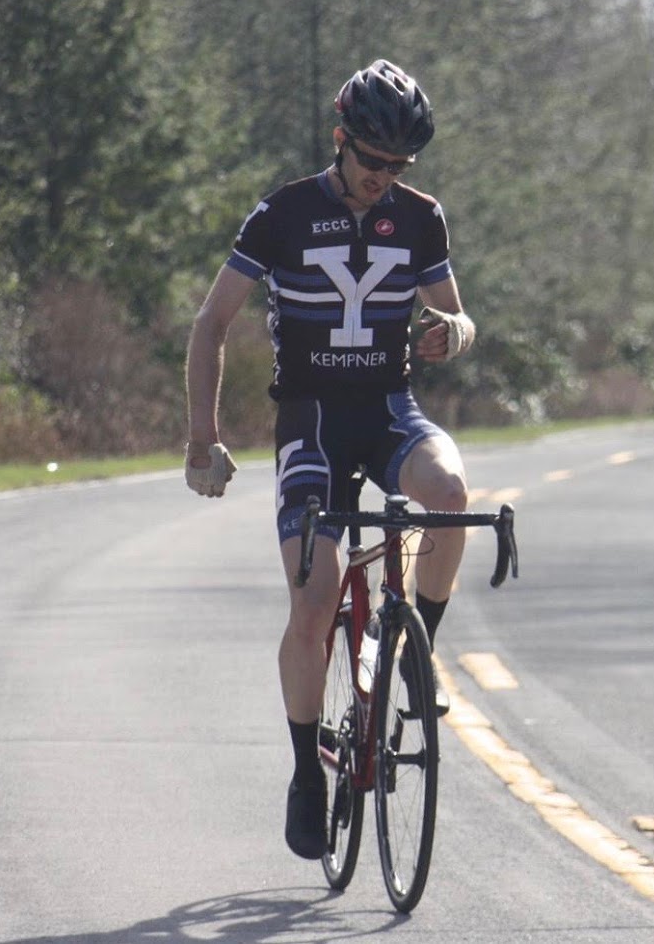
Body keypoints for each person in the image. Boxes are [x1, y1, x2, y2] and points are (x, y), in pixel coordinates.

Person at [184, 59, 477, 858]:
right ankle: (305, 773)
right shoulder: (283, 212)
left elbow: (457, 315)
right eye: (373, 160)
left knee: (451, 492)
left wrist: (452, 333)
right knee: (314, 603)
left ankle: (416, 655)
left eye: (398, 165)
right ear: (340, 140)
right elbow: (212, 323)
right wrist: (203, 439)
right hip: (310, 421)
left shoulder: (421, 218)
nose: (384, 177)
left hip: (388, 410)